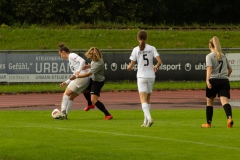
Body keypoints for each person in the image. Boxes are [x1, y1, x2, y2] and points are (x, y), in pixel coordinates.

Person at [127, 30, 162, 127]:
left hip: (142, 76)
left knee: (143, 100)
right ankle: (145, 122)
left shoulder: (136, 49)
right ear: (146, 38)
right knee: (147, 99)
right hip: (151, 76)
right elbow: (160, 61)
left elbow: (131, 65)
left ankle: (149, 118)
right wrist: (156, 66)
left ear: (138, 38)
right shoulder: (152, 48)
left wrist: (128, 67)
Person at [70, 47, 113, 120]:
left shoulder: (98, 63)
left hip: (97, 82)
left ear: (94, 56)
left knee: (94, 100)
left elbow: (87, 74)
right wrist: (88, 66)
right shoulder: (95, 60)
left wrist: (76, 76)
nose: (89, 58)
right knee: (84, 89)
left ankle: (108, 114)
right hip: (93, 79)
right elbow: (92, 65)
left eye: (91, 56)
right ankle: (90, 105)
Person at [202, 36, 234, 128]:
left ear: (210, 45)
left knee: (209, 102)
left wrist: (207, 80)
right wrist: (225, 77)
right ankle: (229, 118)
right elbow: (230, 69)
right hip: (224, 81)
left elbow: (209, 68)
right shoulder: (223, 56)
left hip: (213, 80)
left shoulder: (209, 56)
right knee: (224, 102)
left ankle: (208, 123)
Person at [56, 43, 94, 120]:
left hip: (81, 78)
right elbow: (74, 74)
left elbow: (82, 61)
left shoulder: (71, 55)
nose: (61, 57)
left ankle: (62, 112)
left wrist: (78, 71)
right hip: (85, 80)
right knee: (71, 97)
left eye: (61, 55)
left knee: (66, 93)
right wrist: (66, 82)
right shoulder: (70, 59)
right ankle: (65, 115)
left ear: (63, 52)